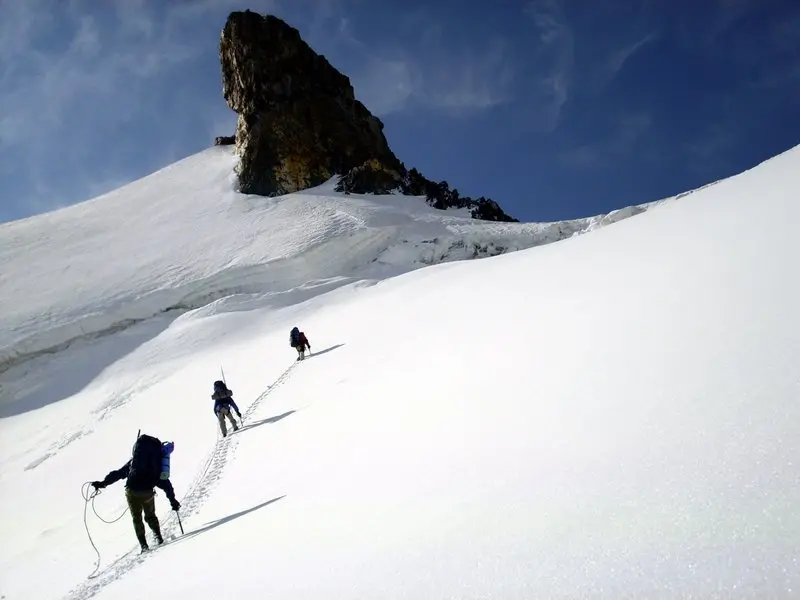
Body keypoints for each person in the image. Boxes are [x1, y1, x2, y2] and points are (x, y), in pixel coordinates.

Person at [91, 434, 181, 553]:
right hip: (147, 492)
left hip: (132, 491)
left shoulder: (135, 463)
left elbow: (118, 474)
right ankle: (158, 537)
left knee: (137, 519)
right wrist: (173, 501)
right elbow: (166, 485)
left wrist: (103, 483)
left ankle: (144, 546)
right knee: (150, 516)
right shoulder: (156, 465)